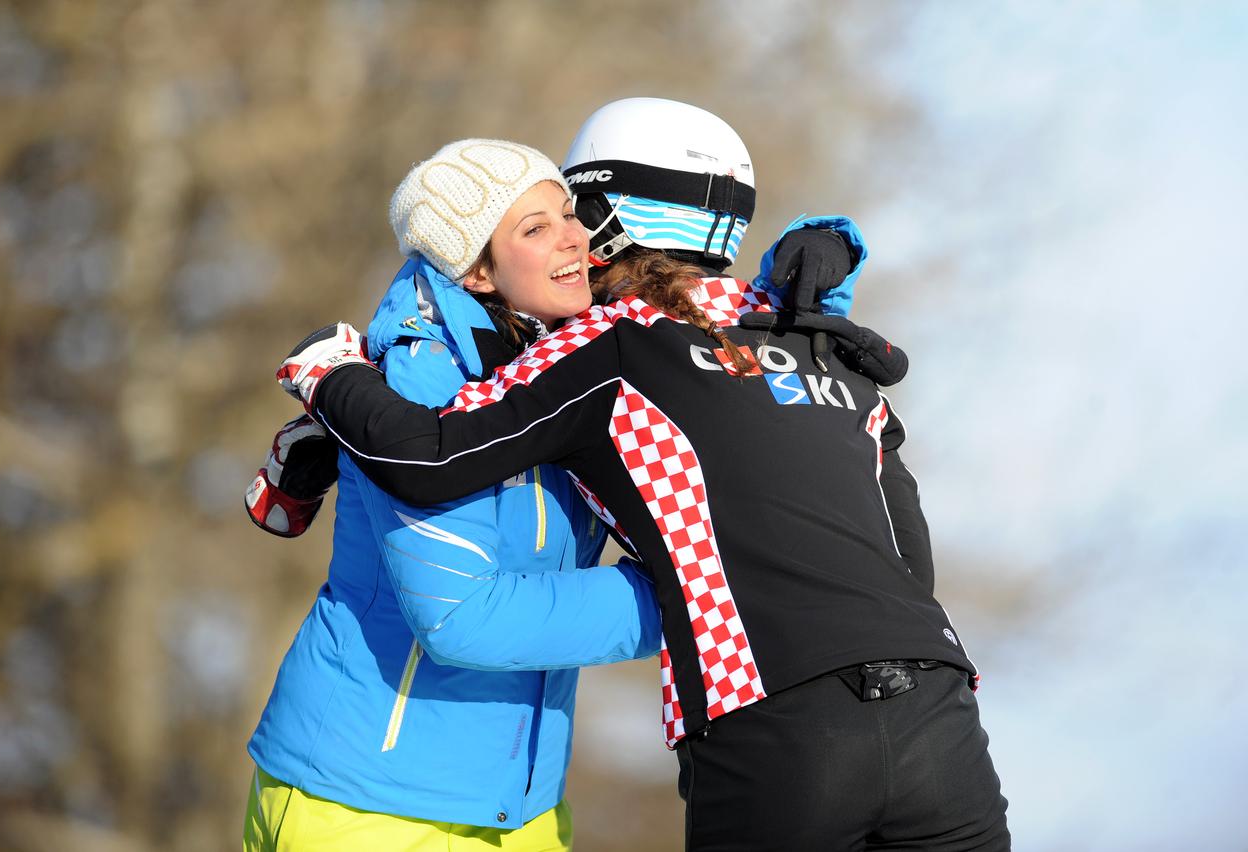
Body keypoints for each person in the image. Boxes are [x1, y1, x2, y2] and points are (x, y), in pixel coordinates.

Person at [274, 98, 1010, 851]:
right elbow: (907, 558)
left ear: (608, 213)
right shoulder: (825, 342)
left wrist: (329, 375)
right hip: (942, 718)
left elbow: (429, 454)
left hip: (778, 720)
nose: (573, 238)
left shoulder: (610, 341)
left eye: (577, 211)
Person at [241, 139, 665, 851]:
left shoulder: (568, 361)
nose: (574, 238)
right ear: (474, 269)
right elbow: (461, 618)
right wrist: (691, 596)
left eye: (568, 214)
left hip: (519, 805)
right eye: (534, 229)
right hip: (363, 807)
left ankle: (319, 447)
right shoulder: (424, 380)